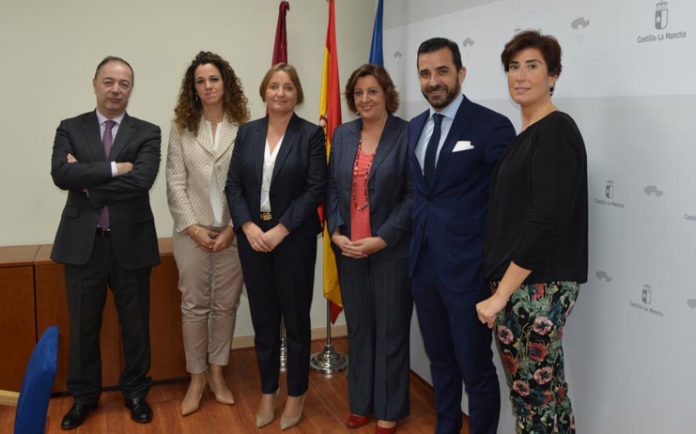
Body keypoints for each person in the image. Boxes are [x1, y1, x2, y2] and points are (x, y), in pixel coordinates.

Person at [477, 30, 587, 434]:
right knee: (547, 395)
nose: (520, 76)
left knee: (532, 402)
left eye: (533, 66)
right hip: (524, 286)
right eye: (513, 66)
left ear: (553, 75)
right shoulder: (527, 135)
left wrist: (501, 295)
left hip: (533, 289)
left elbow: (545, 219)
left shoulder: (556, 130)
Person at [408, 38, 516, 434]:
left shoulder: (492, 126)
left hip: (469, 272)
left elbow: (509, 203)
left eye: (442, 71)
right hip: (423, 268)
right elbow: (418, 194)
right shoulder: (414, 128)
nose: (433, 81)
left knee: (476, 369)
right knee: (440, 362)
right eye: (425, 73)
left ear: (461, 73)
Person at [50, 56, 161, 429]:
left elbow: (142, 181)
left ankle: (136, 392)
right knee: (83, 327)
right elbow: (61, 174)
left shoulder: (147, 132)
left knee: (135, 325)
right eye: (109, 81)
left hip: (131, 242)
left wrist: (88, 183)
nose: (116, 89)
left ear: (131, 89)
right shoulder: (70, 127)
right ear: (95, 83)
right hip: (83, 245)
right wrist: (116, 168)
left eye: (124, 83)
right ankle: (84, 398)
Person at [225, 63, 326, 431]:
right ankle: (268, 391)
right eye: (274, 86)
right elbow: (233, 185)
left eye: (287, 87)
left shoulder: (310, 135)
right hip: (252, 239)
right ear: (264, 91)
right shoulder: (247, 133)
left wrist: (282, 229)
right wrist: (248, 226)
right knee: (264, 320)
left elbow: (315, 188)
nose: (280, 93)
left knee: (296, 320)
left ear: (297, 94)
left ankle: (296, 393)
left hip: (294, 240)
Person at [326, 64, 412, 434]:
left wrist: (384, 237)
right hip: (349, 251)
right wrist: (335, 231)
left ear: (386, 94)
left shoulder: (407, 133)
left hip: (389, 251)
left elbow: (413, 196)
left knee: (390, 331)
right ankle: (361, 403)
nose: (365, 99)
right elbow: (331, 187)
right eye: (359, 93)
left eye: (372, 91)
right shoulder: (343, 135)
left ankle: (389, 409)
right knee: (359, 330)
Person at [166, 51, 249, 416]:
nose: (208, 86)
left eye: (214, 79)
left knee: (226, 305)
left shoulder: (243, 126)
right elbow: (174, 182)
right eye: (200, 81)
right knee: (194, 306)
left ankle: (217, 374)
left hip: (233, 231)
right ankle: (196, 378)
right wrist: (194, 228)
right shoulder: (181, 127)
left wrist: (233, 228)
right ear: (193, 88)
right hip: (191, 231)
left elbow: (249, 182)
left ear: (225, 83)